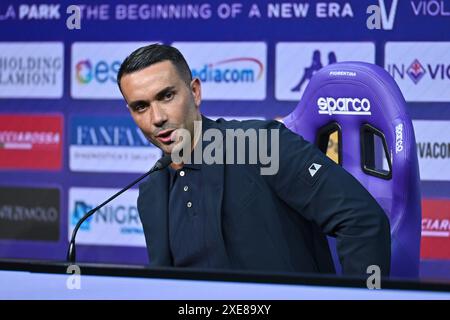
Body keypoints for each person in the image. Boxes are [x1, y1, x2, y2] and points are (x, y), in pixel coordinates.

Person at [117, 44, 391, 276]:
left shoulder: (260, 144)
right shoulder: (151, 191)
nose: (157, 118)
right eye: (141, 106)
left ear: (195, 92)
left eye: (166, 96)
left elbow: (361, 221)